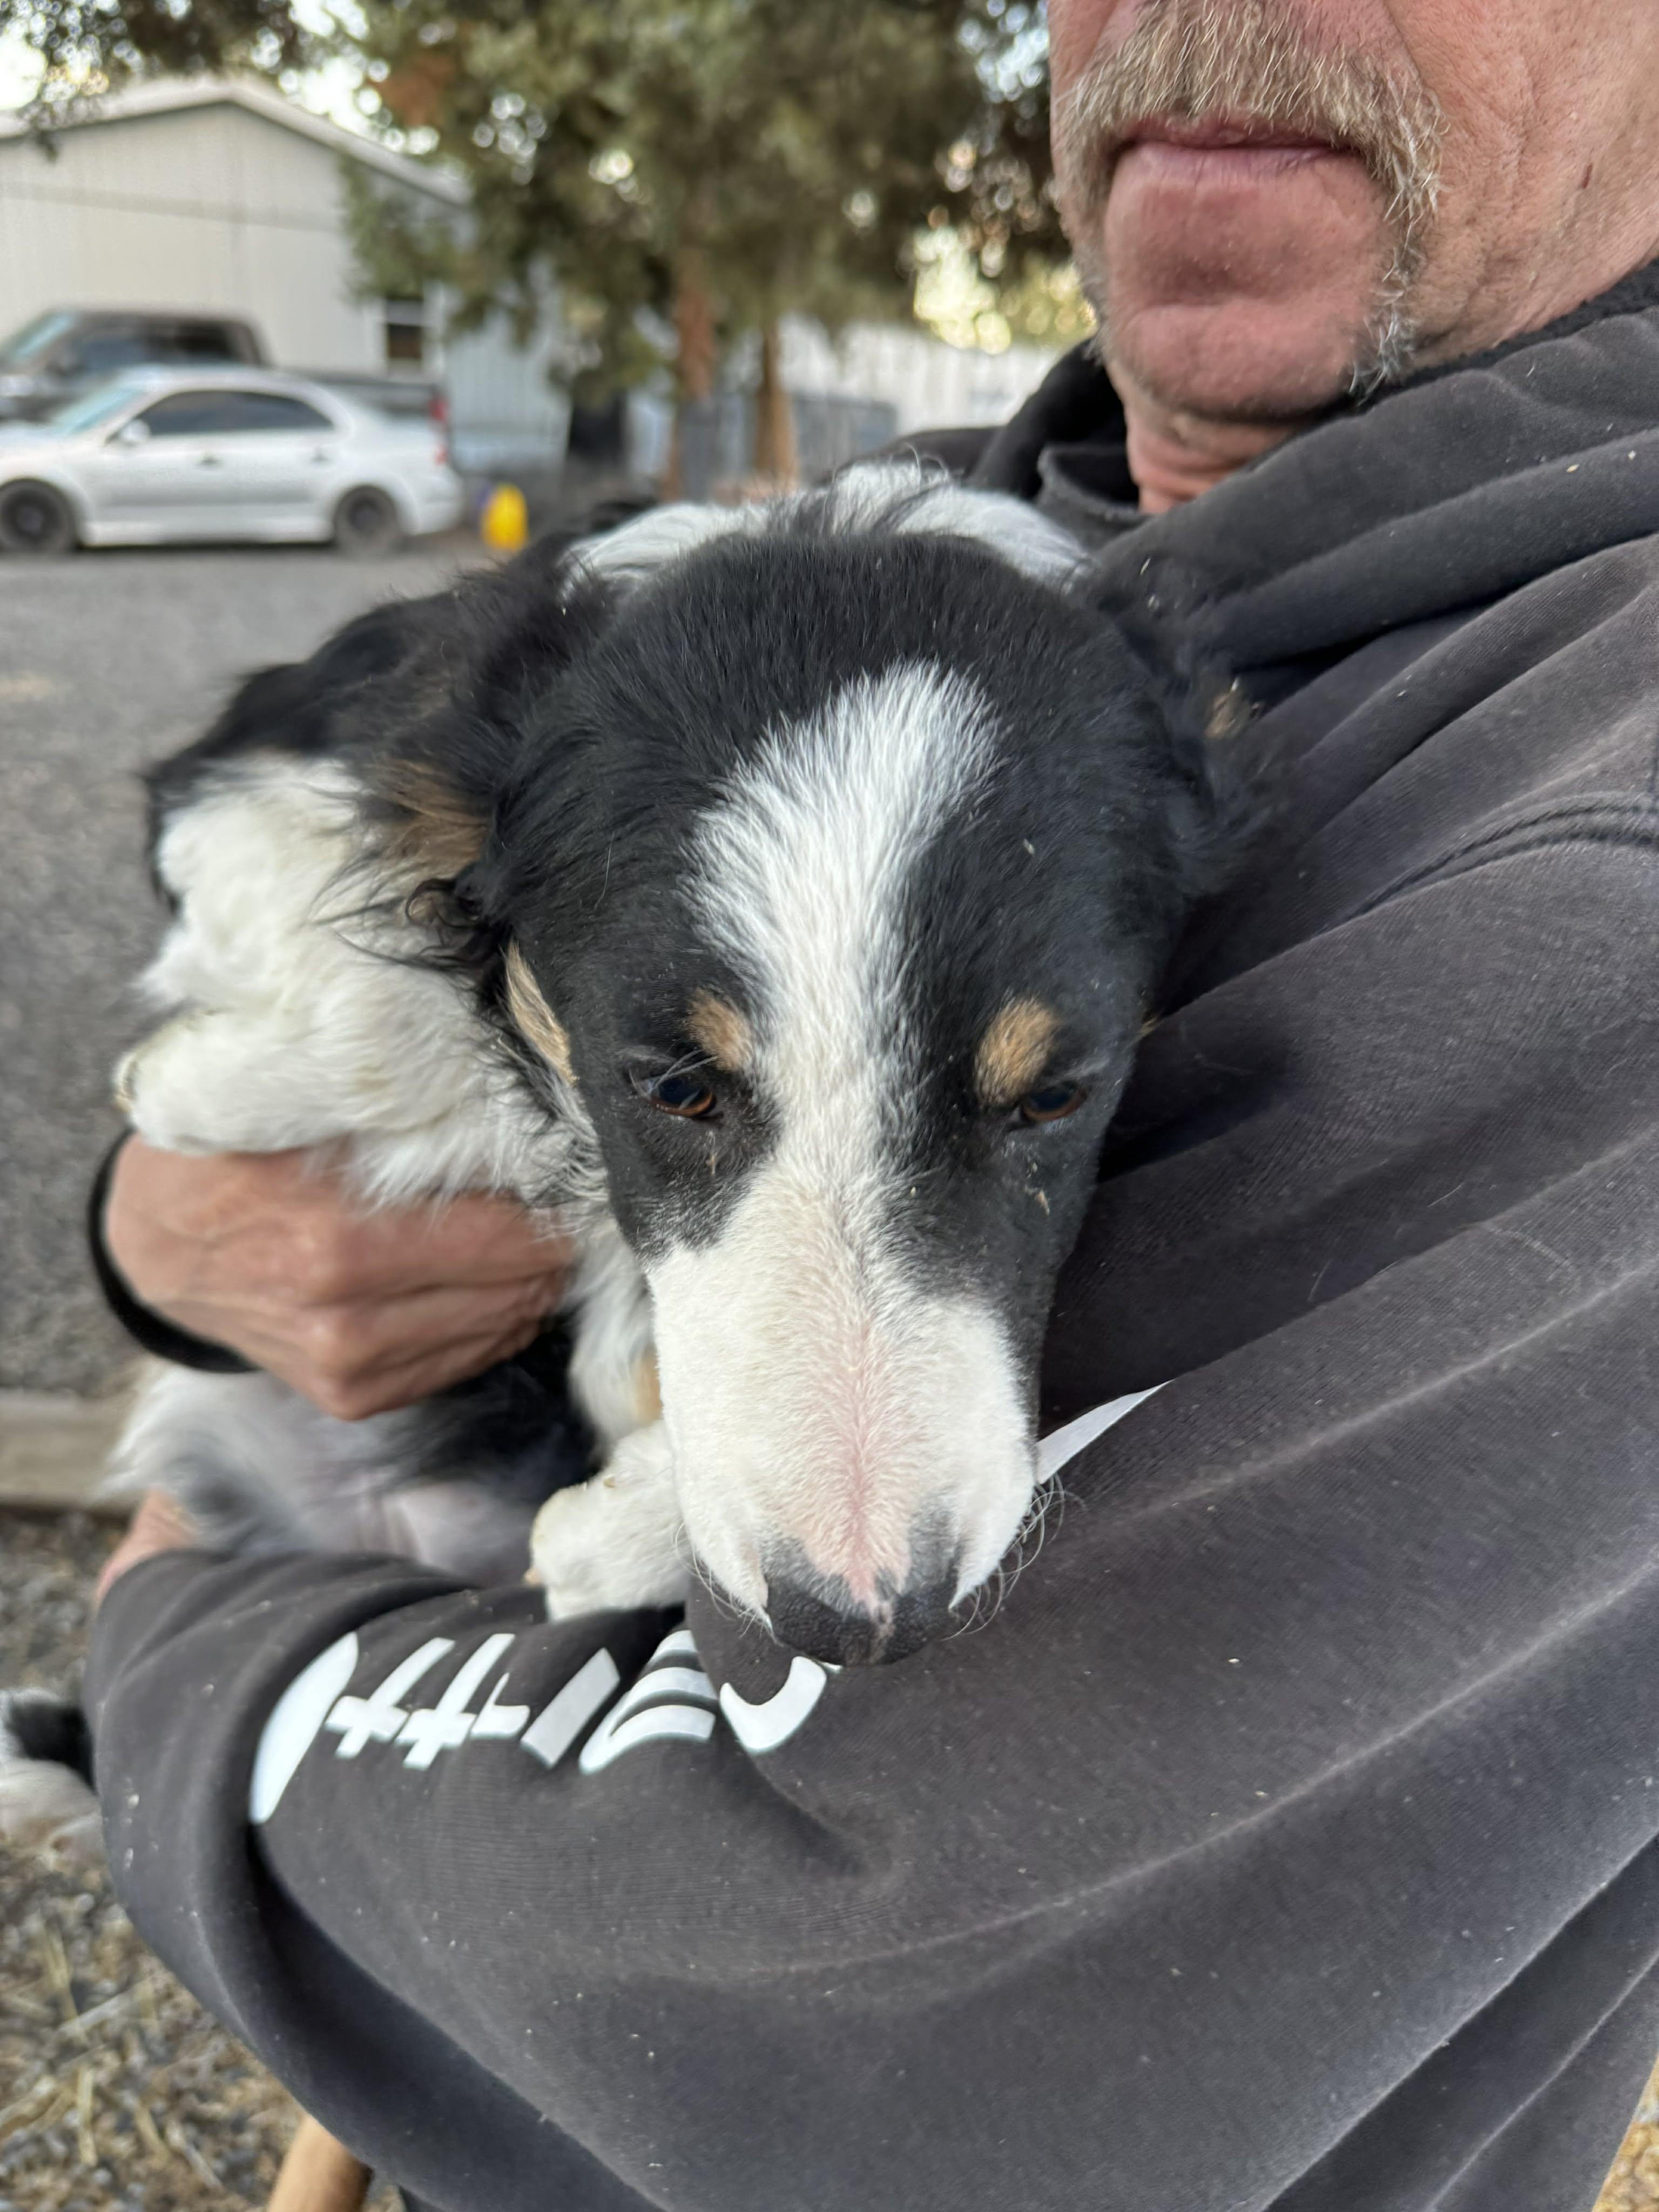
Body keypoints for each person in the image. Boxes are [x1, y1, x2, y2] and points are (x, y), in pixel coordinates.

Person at [87, 3, 1659, 2206]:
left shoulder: (1607, 818)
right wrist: (173, 1244)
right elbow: (353, 950)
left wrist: (170, 1645)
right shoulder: (950, 547)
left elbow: (900, 2047)